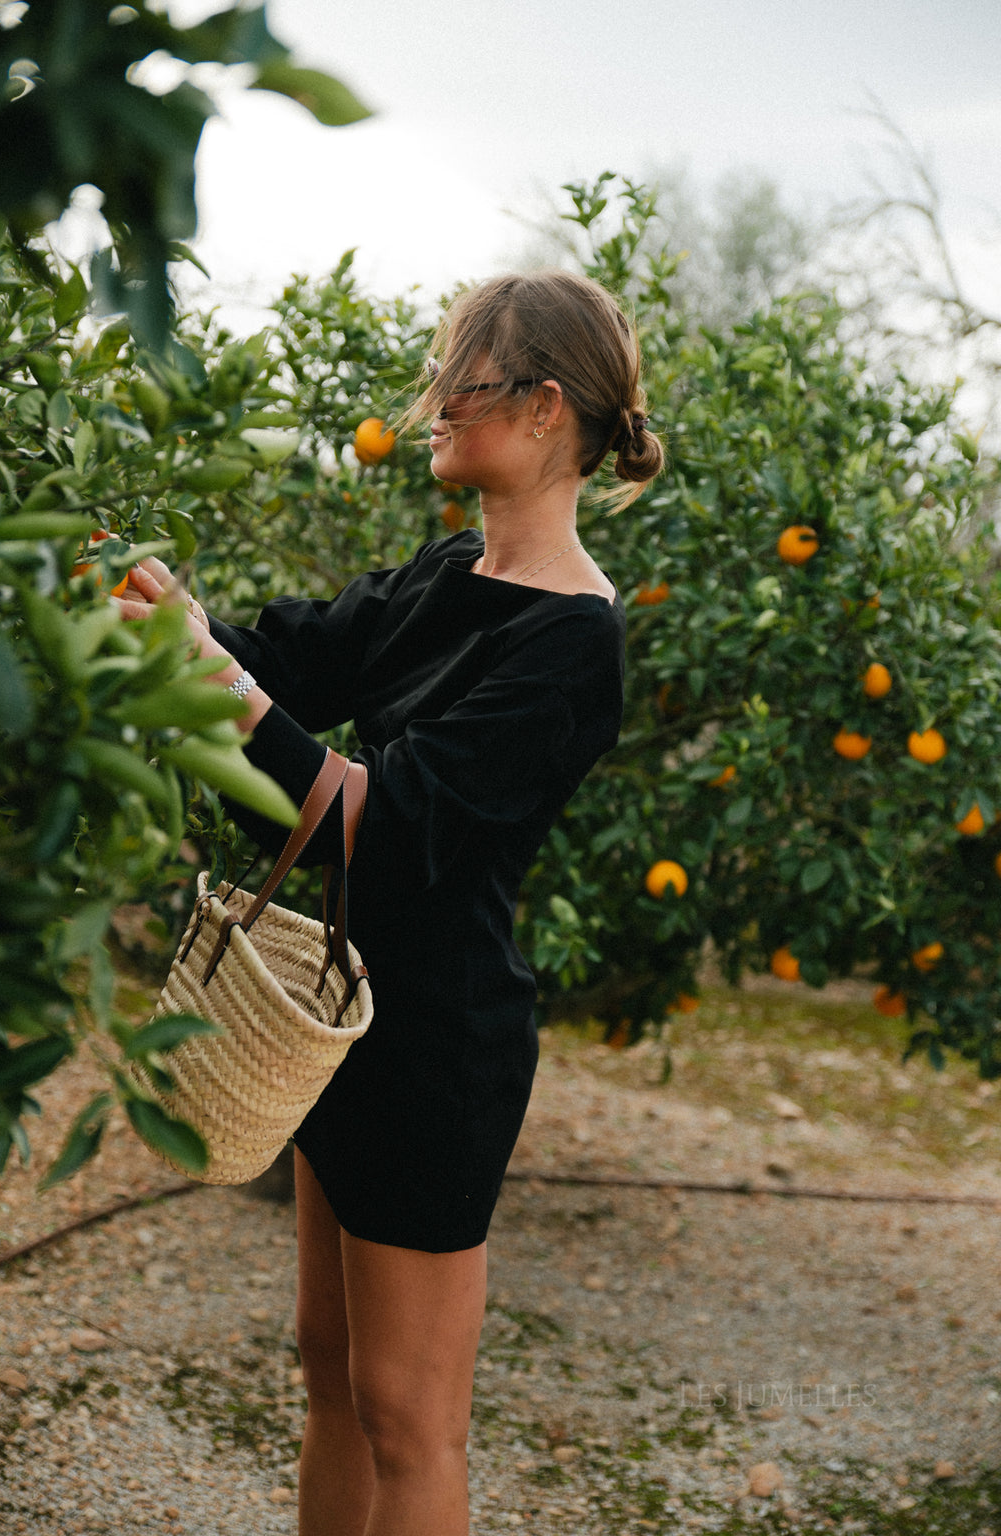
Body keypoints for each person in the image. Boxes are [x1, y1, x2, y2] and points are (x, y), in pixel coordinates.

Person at [117, 269, 664, 1536]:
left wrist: (223, 686)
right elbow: (285, 654)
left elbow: (385, 820)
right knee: (329, 1375)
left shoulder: (573, 641)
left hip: (436, 1049)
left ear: (537, 409)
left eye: (455, 383)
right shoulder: (445, 570)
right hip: (339, 1009)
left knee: (411, 1418)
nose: (429, 409)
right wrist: (166, 620)